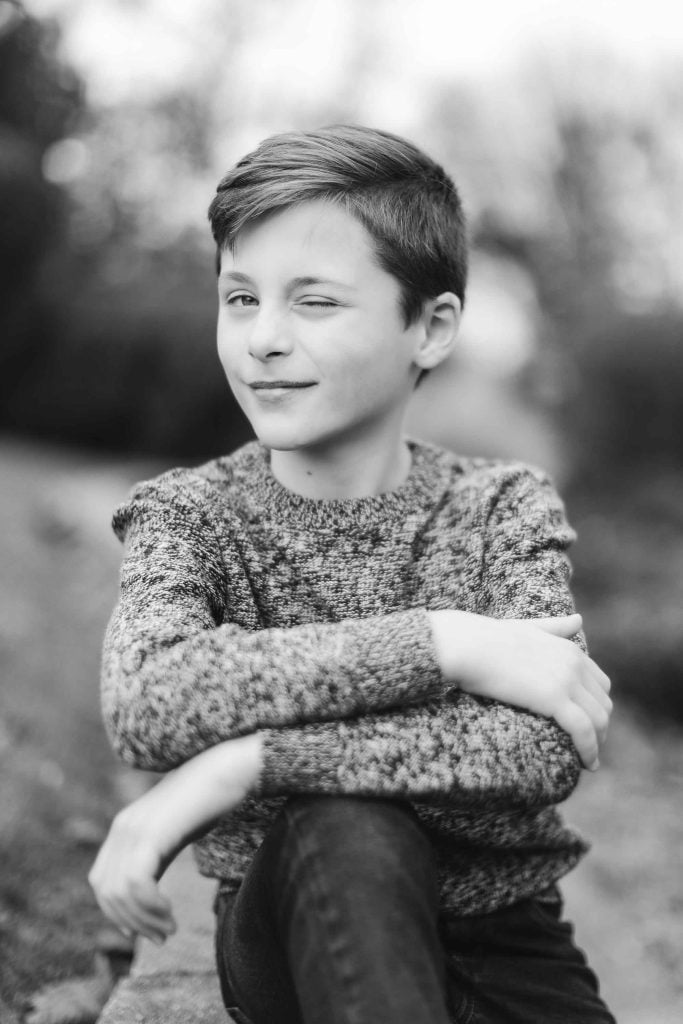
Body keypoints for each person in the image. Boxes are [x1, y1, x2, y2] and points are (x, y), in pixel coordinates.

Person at [89, 125, 616, 1024]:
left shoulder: (501, 507)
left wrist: (248, 764)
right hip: (294, 933)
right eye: (241, 297)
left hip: (505, 948)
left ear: (431, 327)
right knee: (344, 829)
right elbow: (149, 698)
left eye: (314, 303)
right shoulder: (189, 515)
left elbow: (542, 744)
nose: (262, 339)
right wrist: (445, 645)